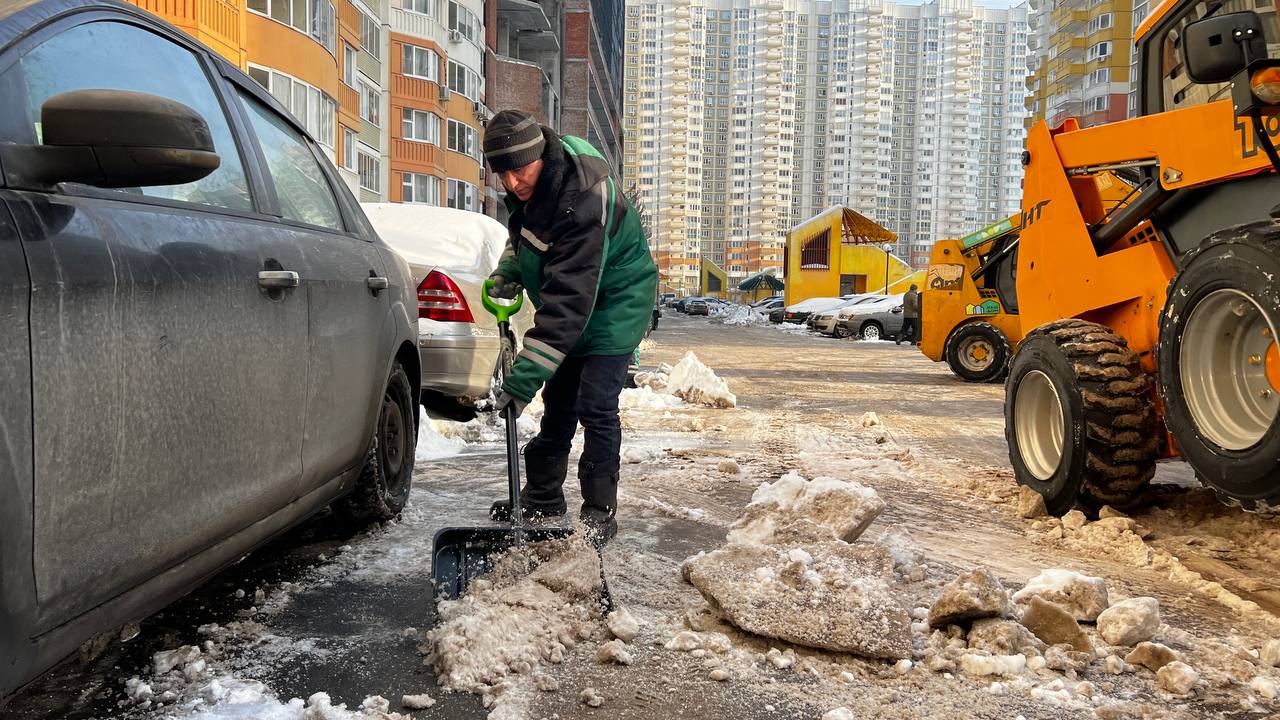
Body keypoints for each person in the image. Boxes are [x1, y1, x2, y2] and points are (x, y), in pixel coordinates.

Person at [483, 109, 658, 543]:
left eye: (520, 171)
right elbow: (527, 236)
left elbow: (567, 305)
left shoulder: (583, 199)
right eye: (502, 175)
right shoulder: (540, 180)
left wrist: (522, 380)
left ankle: (599, 511)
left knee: (595, 405)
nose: (512, 184)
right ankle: (543, 498)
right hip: (577, 296)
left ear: (540, 155)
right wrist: (510, 270)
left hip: (617, 302)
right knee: (559, 402)